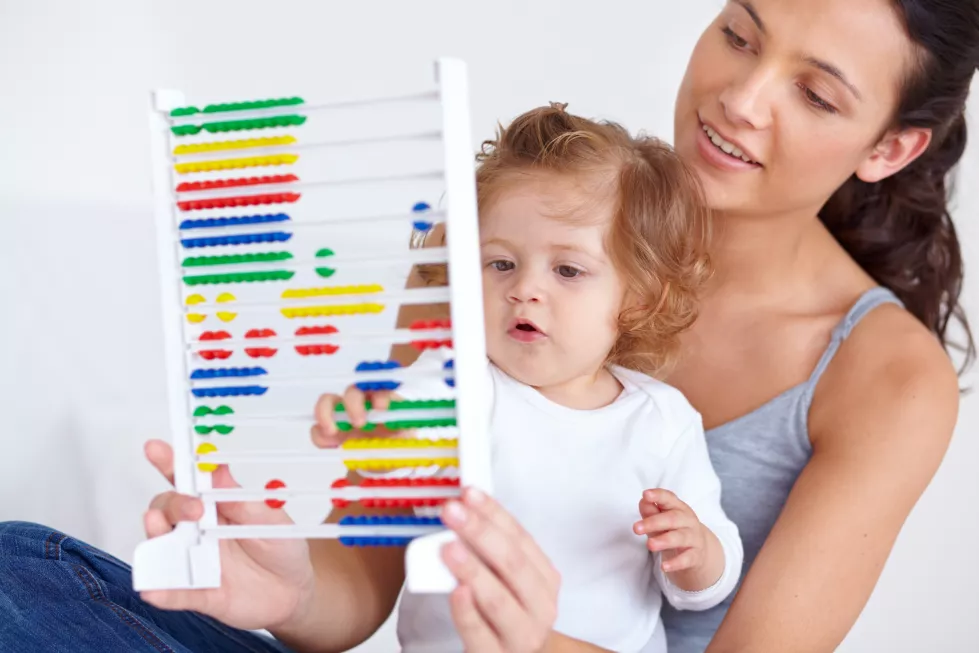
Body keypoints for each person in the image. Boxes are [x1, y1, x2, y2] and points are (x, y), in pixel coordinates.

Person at [1, 0, 976, 650]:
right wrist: (289, 589)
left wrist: (538, 640)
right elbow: (370, 584)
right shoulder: (510, 231)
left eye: (814, 92)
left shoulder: (881, 374)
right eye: (738, 31)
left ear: (889, 145)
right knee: (23, 566)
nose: (740, 96)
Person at [307, 102, 742, 653]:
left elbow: (706, 587)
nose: (525, 289)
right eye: (501, 263)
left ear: (635, 299)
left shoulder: (661, 421)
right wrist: (368, 424)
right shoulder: (459, 383)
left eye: (567, 270)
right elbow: (406, 433)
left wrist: (696, 554)